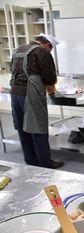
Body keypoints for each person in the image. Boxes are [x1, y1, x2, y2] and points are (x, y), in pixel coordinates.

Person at [10, 33, 64, 169]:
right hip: (30, 93)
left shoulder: (19, 49)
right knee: (38, 128)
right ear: (47, 45)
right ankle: (45, 163)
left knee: (23, 129)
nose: (49, 52)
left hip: (15, 93)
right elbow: (50, 78)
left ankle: (31, 161)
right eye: (50, 49)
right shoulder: (41, 51)